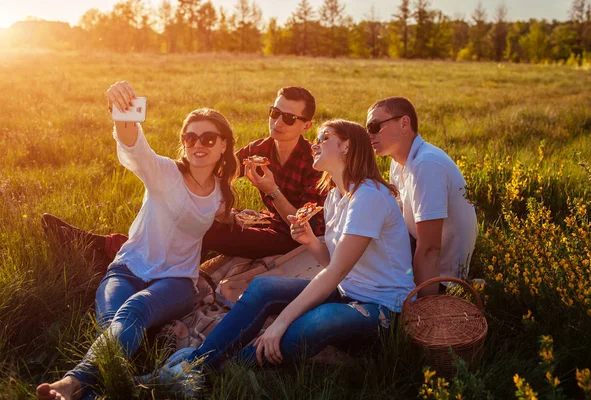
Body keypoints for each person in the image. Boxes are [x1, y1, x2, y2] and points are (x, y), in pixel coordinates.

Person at [148, 119, 416, 393]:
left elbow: (334, 272)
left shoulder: (368, 197)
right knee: (263, 287)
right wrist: (311, 240)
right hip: (348, 291)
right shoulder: (336, 196)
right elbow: (332, 263)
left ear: (346, 146)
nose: (314, 144)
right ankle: (197, 365)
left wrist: (280, 323)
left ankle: (202, 373)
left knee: (317, 321)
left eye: (323, 137)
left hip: (384, 308)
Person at [36, 81, 239, 400]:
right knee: (115, 328)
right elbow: (135, 147)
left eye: (208, 138)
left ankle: (72, 382)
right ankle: (99, 392)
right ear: (183, 142)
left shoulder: (222, 196)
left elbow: (231, 229)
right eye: (190, 137)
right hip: (127, 270)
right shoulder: (165, 174)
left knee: (134, 311)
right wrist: (121, 111)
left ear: (224, 145)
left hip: (176, 282)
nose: (198, 144)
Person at [41, 86, 325, 266]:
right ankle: (112, 246)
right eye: (275, 112)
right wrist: (173, 182)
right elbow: (216, 170)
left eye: (289, 118)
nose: (277, 122)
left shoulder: (316, 161)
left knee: (205, 229)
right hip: (265, 220)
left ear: (306, 125)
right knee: (186, 210)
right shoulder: (259, 149)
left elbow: (308, 228)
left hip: (292, 235)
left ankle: (104, 247)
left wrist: (272, 191)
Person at [366, 97, 478, 297]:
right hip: (422, 257)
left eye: (374, 126)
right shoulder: (399, 163)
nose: (369, 135)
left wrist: (421, 308)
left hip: (443, 278)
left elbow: (430, 248)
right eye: (367, 128)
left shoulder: (426, 164)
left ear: (404, 123)